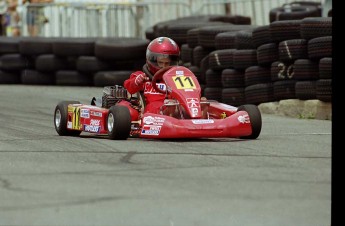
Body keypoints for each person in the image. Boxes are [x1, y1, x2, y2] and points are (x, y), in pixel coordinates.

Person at [123, 37, 180, 115]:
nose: (164, 67)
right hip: (152, 114)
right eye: (160, 63)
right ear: (151, 60)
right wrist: (137, 81)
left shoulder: (176, 79)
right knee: (154, 106)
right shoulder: (142, 77)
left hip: (175, 109)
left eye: (167, 63)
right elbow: (128, 86)